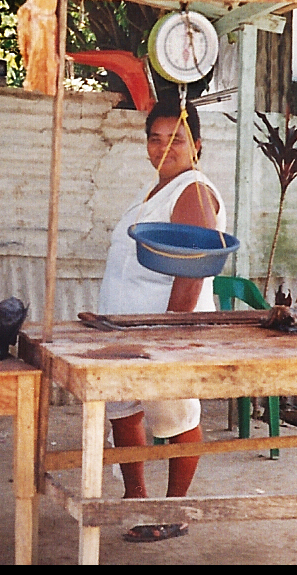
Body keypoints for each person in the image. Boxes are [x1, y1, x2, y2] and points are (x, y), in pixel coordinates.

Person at [97, 99, 226, 543]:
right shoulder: (154, 190)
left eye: (176, 138)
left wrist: (170, 330)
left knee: (174, 417)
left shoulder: (191, 188)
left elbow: (195, 269)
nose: (163, 146)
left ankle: (174, 509)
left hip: (164, 333)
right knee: (124, 411)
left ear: (197, 145)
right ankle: (138, 500)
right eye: (155, 137)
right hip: (125, 330)